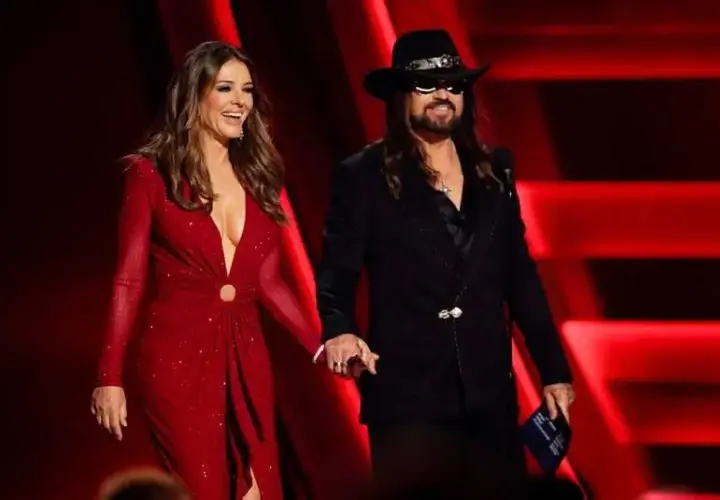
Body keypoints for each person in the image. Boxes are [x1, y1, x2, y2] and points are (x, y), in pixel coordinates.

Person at [315, 30, 576, 499]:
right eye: (428, 84)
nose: (443, 95)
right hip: (407, 395)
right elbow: (337, 268)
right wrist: (339, 328)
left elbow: (520, 277)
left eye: (453, 84)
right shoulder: (363, 176)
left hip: (489, 390)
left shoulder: (496, 172)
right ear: (401, 95)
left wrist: (553, 370)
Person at [91, 41, 318, 500]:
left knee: (261, 491)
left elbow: (269, 284)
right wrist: (109, 377)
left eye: (248, 90)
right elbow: (129, 280)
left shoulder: (260, 179)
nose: (241, 101)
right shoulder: (150, 175)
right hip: (177, 362)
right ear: (195, 96)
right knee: (207, 490)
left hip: (248, 358)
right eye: (227, 88)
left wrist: (322, 346)